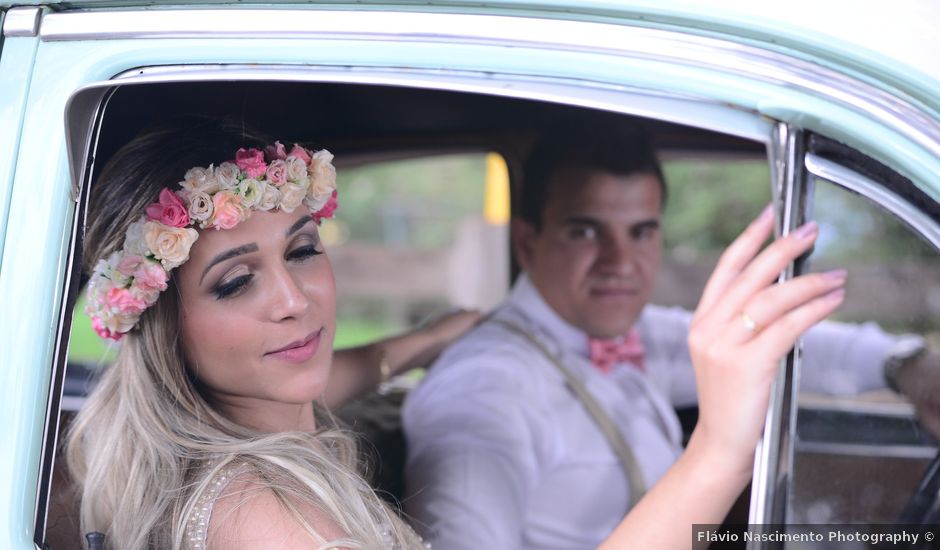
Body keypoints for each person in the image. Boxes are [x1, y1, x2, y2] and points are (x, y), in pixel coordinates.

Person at [402, 122, 940, 549]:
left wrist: (907, 364)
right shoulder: (481, 393)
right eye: (586, 230)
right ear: (527, 243)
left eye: (641, 232)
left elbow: (793, 344)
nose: (621, 263)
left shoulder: (632, 332)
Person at [66, 117, 481, 549]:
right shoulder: (269, 520)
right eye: (236, 282)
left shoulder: (238, 419)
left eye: (302, 250)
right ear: (162, 328)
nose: (295, 301)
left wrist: (431, 339)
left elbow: (342, 375)